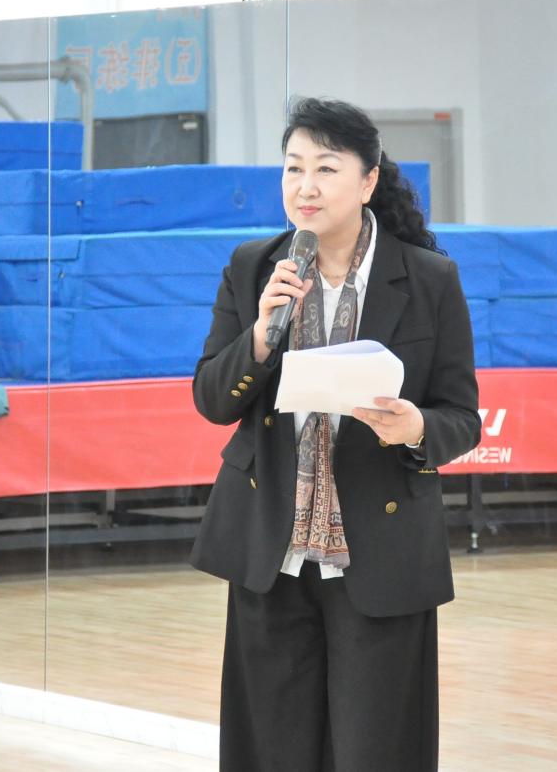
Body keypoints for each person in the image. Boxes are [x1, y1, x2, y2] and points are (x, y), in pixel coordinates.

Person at [190, 96, 481, 771]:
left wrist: (415, 427)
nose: (305, 186)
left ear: (368, 180)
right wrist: (260, 337)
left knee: (376, 751)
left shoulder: (429, 278)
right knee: (272, 751)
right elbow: (211, 399)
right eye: (293, 168)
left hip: (378, 554)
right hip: (272, 553)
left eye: (325, 168)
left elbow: (461, 417)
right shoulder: (253, 268)